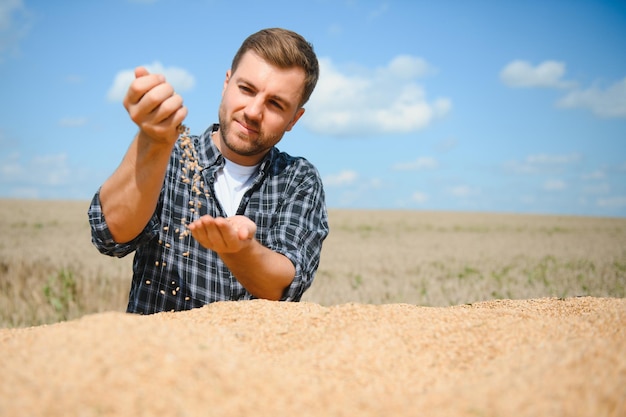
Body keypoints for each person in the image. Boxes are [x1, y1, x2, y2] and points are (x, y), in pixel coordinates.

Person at [88, 28, 329, 314]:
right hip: (156, 354)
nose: (253, 111)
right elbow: (110, 235)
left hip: (251, 357)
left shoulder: (297, 179)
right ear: (227, 83)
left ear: (294, 119)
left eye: (276, 104)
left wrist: (240, 250)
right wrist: (152, 141)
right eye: (246, 89)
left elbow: (282, 288)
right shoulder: (171, 153)